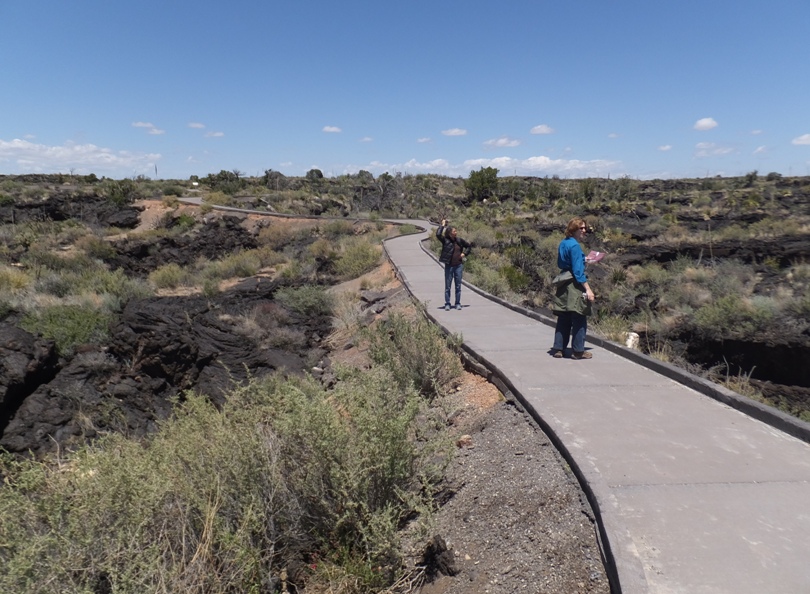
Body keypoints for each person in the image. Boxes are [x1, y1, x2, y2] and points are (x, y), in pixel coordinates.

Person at [550, 218, 595, 359]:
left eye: (584, 228)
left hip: (563, 283)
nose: (584, 231)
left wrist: (583, 260)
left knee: (564, 317)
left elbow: (561, 263)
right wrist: (588, 289)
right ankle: (578, 351)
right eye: (580, 228)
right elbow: (577, 272)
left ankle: (558, 348)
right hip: (574, 285)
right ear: (573, 229)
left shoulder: (564, 243)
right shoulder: (575, 246)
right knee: (579, 316)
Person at [437, 218, 472, 310]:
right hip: (449, 266)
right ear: (449, 233)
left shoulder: (459, 241)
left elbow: (469, 246)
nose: (456, 232)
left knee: (458, 286)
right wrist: (442, 225)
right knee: (448, 286)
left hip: (458, 266)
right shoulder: (445, 241)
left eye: (456, 231)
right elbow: (438, 234)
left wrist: (464, 253)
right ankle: (447, 303)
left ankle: (457, 303)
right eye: (454, 231)